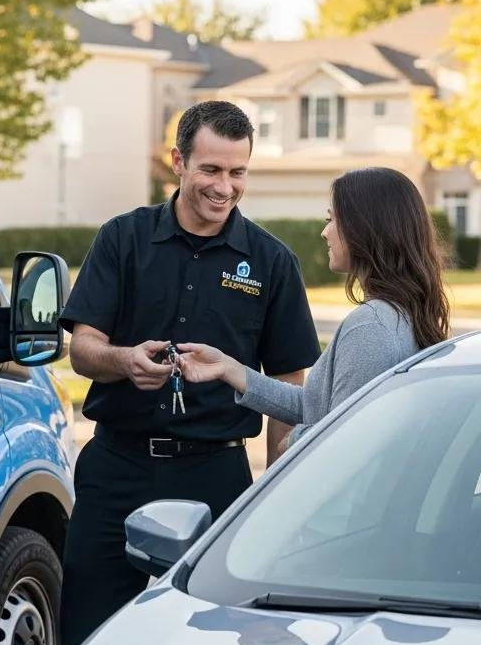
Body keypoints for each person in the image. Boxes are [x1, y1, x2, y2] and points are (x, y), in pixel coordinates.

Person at [58, 100, 320, 645]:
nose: (224, 187)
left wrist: (276, 495)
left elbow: (289, 385)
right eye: (211, 169)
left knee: (219, 641)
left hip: (217, 475)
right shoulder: (122, 239)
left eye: (237, 172)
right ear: (178, 161)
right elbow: (82, 348)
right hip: (116, 468)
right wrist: (123, 361)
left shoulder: (272, 263)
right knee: (88, 637)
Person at [178, 167, 449, 453]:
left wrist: (293, 442)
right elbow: (315, 404)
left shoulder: (371, 326)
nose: (324, 232)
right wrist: (229, 369)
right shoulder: (400, 314)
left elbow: (345, 438)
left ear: (364, 228)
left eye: (332, 220)